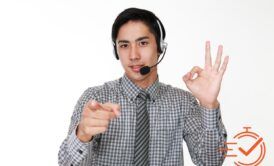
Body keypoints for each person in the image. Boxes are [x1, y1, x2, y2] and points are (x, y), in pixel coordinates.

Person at [58, 7, 229, 166]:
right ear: (116, 51)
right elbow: (67, 164)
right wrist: (82, 135)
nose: (133, 55)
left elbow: (210, 161)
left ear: (160, 47)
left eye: (142, 43)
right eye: (124, 45)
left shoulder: (183, 102)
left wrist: (209, 105)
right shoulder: (95, 99)